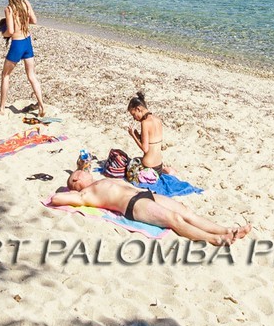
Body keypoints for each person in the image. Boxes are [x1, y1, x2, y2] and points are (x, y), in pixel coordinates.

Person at [50, 169, 249, 245]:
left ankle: (226, 230)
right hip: (133, 205)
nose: (85, 171)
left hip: (145, 194)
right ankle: (214, 239)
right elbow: (57, 199)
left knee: (185, 211)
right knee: (175, 219)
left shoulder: (99, 181)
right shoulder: (85, 194)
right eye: (81, 172)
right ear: (76, 180)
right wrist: (71, 194)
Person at [0, 0, 44, 116]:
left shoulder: (9, 9)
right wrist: (23, 21)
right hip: (27, 42)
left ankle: (1, 108)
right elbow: (34, 20)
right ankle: (41, 106)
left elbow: (10, 31)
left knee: (5, 75)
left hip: (17, 44)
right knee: (32, 76)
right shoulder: (26, 3)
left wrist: (3, 33)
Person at [126, 90, 165, 173]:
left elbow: (145, 149)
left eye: (134, 115)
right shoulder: (158, 120)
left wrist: (133, 135)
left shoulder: (145, 123)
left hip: (149, 167)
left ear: (138, 109)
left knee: (128, 167)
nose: (134, 118)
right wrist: (138, 136)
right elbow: (151, 141)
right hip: (159, 167)